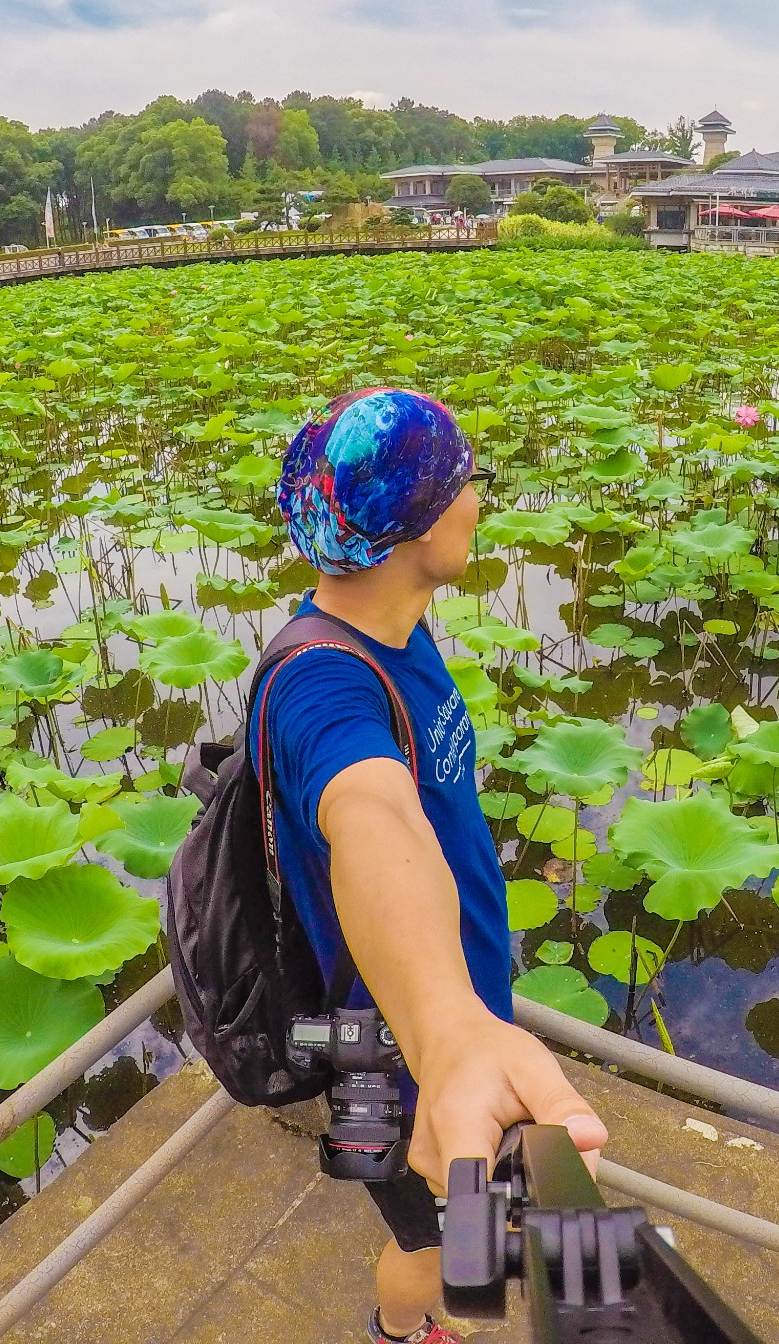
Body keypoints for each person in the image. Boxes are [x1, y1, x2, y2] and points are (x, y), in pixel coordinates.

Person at [263, 388, 606, 1344]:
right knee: (432, 1242)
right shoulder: (320, 685)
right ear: (416, 526)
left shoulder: (393, 626)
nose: (478, 504)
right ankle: (405, 1333)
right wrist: (449, 1031)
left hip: (455, 1017)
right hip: (407, 1047)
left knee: (487, 1225)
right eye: (468, 484)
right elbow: (371, 813)